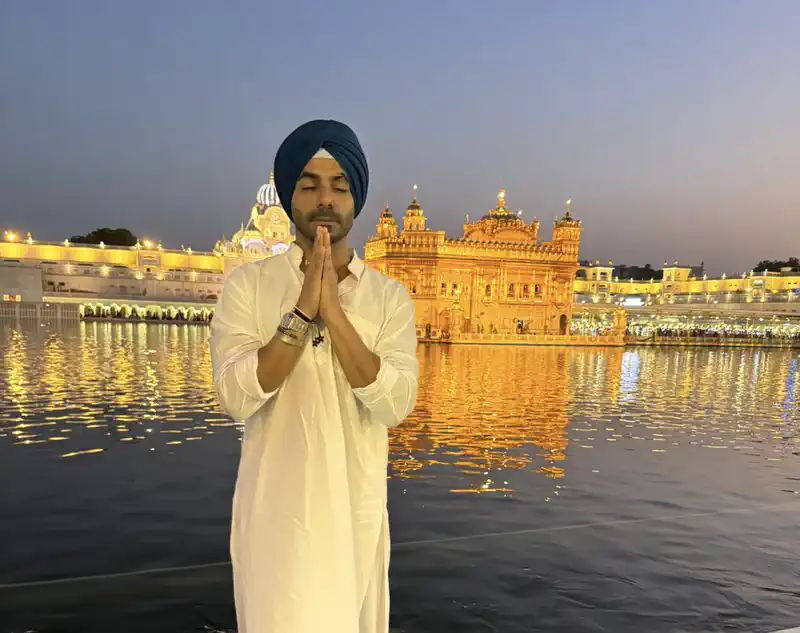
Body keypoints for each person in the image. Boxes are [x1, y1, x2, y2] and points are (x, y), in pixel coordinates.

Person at [209, 119, 419, 633]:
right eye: (309, 185)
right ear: (288, 196)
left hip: (355, 517)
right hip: (275, 520)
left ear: (356, 199)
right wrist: (302, 312)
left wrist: (337, 314)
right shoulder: (248, 287)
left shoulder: (389, 298)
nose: (326, 198)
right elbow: (237, 395)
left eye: (339, 185)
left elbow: (396, 405)